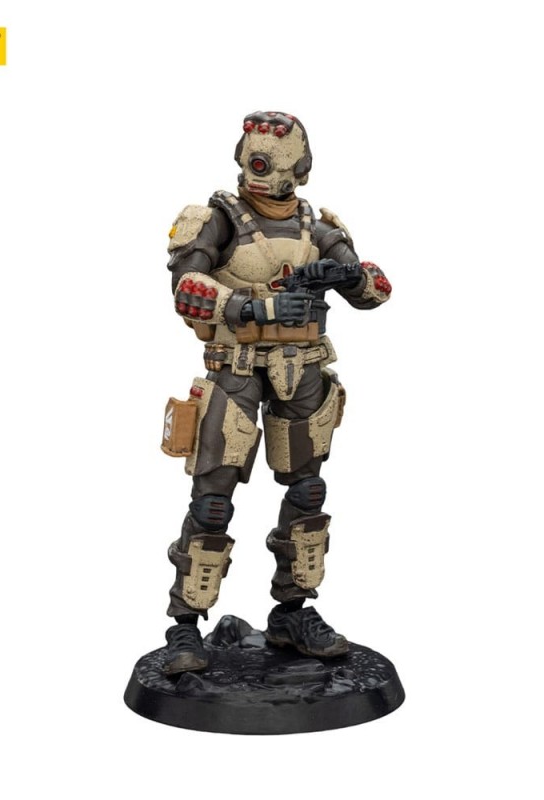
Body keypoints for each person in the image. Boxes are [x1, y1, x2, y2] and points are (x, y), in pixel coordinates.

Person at [161, 111, 392, 674]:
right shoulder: (217, 220)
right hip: (236, 367)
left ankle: (293, 611)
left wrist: (351, 277)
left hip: (303, 370)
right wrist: (256, 308)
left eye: (272, 165)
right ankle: (185, 625)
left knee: (307, 494)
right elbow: (187, 289)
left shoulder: (317, 227)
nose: (261, 174)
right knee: (213, 499)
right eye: (255, 163)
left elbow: (377, 291)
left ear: (301, 170)